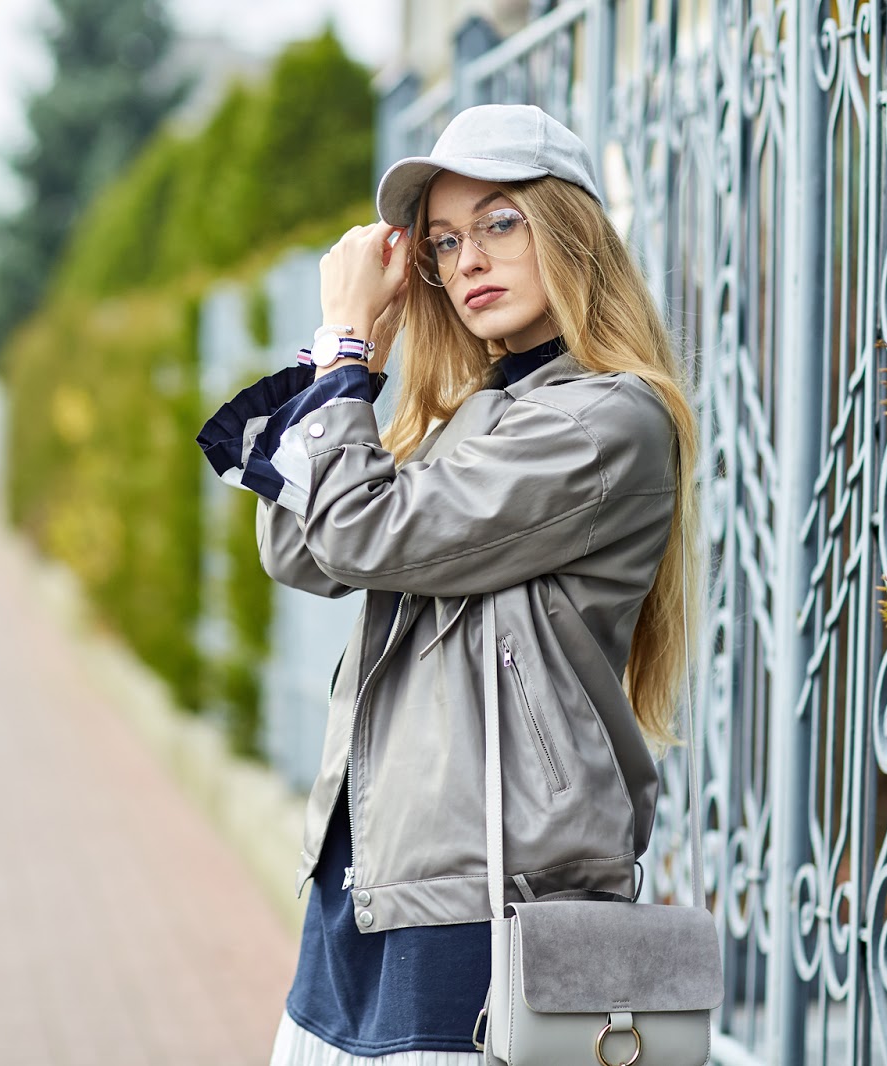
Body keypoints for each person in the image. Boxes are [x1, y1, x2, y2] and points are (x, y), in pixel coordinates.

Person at [196, 103, 700, 1065]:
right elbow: (302, 550)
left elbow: (356, 526)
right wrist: (361, 355)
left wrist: (344, 349)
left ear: (571, 229)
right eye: (443, 242)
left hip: (489, 889)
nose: (468, 259)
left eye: (499, 222)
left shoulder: (607, 422)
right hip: (373, 864)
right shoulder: (475, 414)